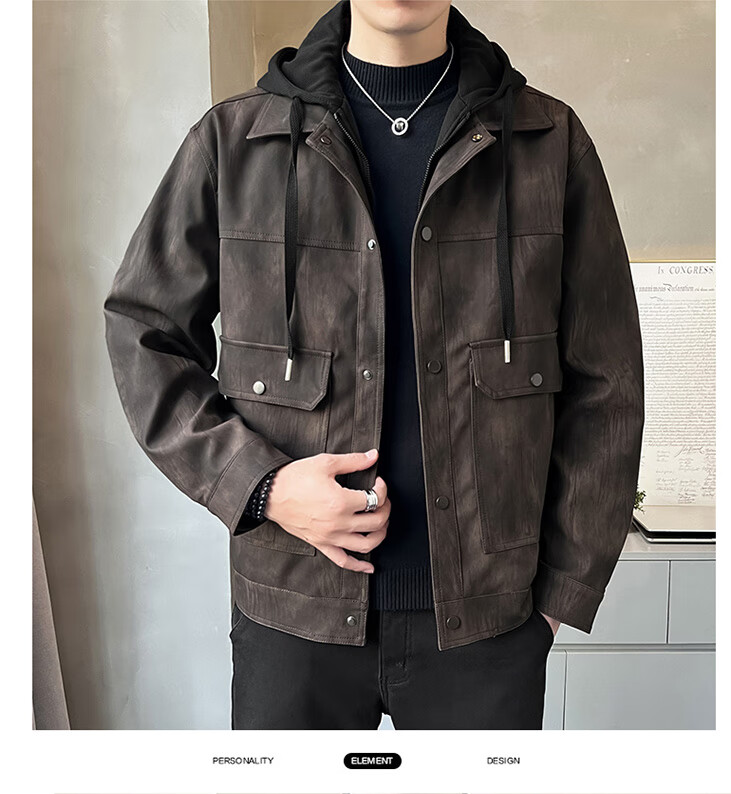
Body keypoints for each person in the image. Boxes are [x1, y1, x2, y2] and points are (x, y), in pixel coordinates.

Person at [104, 0, 644, 729]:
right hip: (291, 620)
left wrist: (557, 599)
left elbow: (608, 384)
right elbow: (144, 330)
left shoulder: (548, 143)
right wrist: (261, 487)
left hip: (490, 630)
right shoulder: (235, 141)